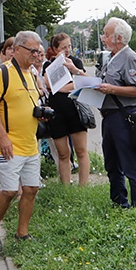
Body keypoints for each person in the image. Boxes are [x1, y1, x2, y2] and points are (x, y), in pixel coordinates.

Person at [0, 31, 45, 252]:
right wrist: (3, 138)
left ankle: (22, 233)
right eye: (32, 51)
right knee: (9, 191)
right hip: (8, 144)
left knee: (31, 189)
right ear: (17, 49)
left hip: (30, 143)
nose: (36, 55)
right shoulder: (2, 73)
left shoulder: (31, 73)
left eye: (38, 51)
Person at [95, 18, 136, 208]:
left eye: (106, 34)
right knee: (112, 163)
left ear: (118, 38)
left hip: (123, 116)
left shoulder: (130, 57)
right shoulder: (110, 57)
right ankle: (119, 203)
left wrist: (111, 89)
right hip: (109, 117)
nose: (103, 37)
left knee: (130, 164)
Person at [42, 33, 91, 185]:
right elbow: (48, 84)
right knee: (63, 154)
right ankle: (66, 186)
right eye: (63, 47)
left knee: (81, 151)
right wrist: (66, 86)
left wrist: (72, 71)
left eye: (69, 46)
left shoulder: (75, 62)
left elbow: (83, 81)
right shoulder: (48, 65)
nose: (67, 50)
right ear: (55, 49)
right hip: (57, 112)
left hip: (75, 110)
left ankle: (83, 187)